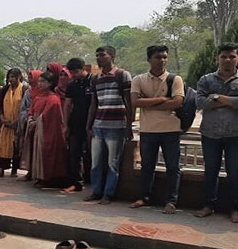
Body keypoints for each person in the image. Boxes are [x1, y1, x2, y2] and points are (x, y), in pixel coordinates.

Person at [195, 42, 238, 223]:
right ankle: (208, 205)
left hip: (236, 134)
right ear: (217, 59)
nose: (227, 60)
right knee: (210, 171)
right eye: (223, 56)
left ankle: (236, 209)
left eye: (232, 56)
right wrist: (232, 100)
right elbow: (199, 103)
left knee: (235, 173)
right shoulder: (206, 79)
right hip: (210, 133)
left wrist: (216, 97)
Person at [129, 46, 185, 214]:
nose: (162, 60)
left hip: (171, 129)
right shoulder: (138, 79)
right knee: (147, 166)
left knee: (173, 167)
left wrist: (149, 102)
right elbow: (135, 102)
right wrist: (162, 99)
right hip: (148, 129)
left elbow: (177, 103)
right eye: (158, 57)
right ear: (149, 59)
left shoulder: (175, 79)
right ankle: (144, 197)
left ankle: (171, 201)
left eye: (164, 57)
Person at [84, 46, 133, 205]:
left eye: (102, 55)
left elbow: (129, 102)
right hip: (99, 124)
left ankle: (108, 193)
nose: (99, 58)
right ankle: (97, 191)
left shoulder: (122, 75)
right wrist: (89, 125)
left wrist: (129, 126)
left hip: (116, 125)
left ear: (112, 56)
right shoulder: (95, 78)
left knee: (113, 162)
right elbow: (93, 103)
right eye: (97, 55)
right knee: (96, 161)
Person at [24, 71, 68, 186]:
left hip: (48, 132)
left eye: (42, 82)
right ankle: (39, 176)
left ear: (50, 83)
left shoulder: (53, 99)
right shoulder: (38, 97)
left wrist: (35, 121)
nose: (39, 84)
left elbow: (46, 115)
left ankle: (48, 179)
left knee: (47, 154)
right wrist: (30, 119)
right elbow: (31, 111)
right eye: (39, 81)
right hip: (37, 130)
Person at [63, 58, 92, 192]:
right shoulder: (71, 85)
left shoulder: (93, 81)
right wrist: (65, 124)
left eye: (76, 72)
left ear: (83, 69)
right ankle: (76, 183)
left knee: (91, 155)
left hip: (92, 123)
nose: (74, 75)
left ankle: (92, 182)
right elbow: (67, 105)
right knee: (74, 154)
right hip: (76, 123)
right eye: (71, 72)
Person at [0, 68, 26, 178]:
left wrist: (16, 122)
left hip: (18, 124)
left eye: (13, 77)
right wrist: (2, 118)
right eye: (9, 77)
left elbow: (25, 108)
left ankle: (14, 171)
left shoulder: (24, 89)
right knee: (2, 147)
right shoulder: (4, 90)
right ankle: (1, 170)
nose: (10, 79)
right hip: (5, 123)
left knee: (16, 147)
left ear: (19, 77)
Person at [17, 70, 44, 181]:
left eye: (31, 77)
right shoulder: (28, 92)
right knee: (29, 148)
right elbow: (24, 108)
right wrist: (29, 116)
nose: (29, 79)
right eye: (29, 77)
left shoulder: (43, 92)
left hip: (40, 125)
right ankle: (29, 172)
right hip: (29, 123)